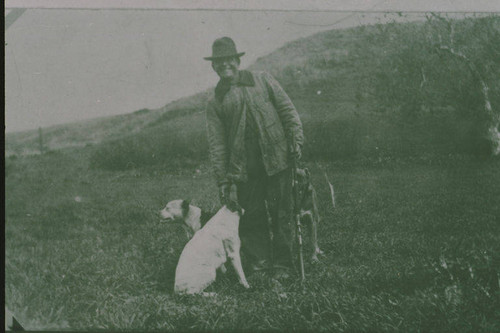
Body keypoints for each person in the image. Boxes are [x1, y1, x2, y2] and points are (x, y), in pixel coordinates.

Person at [204, 37, 304, 278]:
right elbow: (217, 145)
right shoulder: (215, 100)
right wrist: (224, 180)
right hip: (244, 169)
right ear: (213, 67)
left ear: (238, 60)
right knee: (252, 218)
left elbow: (288, 112)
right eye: (219, 62)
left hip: (277, 158)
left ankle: (283, 266)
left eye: (229, 60)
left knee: (283, 213)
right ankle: (259, 265)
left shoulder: (262, 79)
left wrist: (296, 141)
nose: (225, 65)